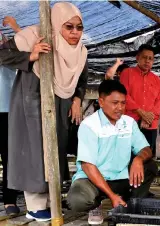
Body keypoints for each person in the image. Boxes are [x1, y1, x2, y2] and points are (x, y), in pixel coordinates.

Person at [0, 2, 88, 221]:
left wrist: (77, 99)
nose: (75, 32)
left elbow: (82, 79)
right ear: (57, 24)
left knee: (55, 150)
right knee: (34, 149)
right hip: (31, 101)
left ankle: (51, 201)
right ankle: (35, 205)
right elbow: (2, 54)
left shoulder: (81, 51)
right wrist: (30, 56)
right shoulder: (33, 36)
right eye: (69, 27)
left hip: (61, 105)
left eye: (79, 27)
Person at [67, 80, 157, 224]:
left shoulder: (129, 122)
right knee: (78, 200)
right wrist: (111, 196)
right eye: (115, 103)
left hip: (120, 177)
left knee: (150, 166)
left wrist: (138, 159)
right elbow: (87, 165)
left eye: (123, 103)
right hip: (93, 179)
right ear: (101, 102)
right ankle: (96, 205)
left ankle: (132, 203)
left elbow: (146, 149)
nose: (120, 108)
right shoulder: (89, 125)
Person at [120, 44, 160, 157]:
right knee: (128, 155)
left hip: (150, 124)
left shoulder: (157, 80)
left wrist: (149, 117)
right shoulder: (127, 73)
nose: (147, 61)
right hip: (130, 122)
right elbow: (124, 95)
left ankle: (145, 175)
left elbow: (159, 101)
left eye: (150, 58)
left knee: (147, 156)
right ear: (137, 57)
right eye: (144, 57)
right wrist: (141, 112)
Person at [0, 16, 22, 216]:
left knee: (9, 157)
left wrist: (15, 28)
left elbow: (30, 47)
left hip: (9, 109)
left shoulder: (9, 46)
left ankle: (9, 200)